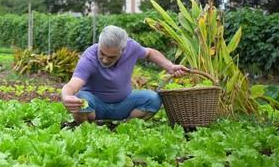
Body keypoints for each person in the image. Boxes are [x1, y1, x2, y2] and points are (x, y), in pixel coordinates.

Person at [61, 25, 189, 124]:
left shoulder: (132, 47)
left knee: (154, 99)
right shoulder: (89, 57)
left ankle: (125, 127)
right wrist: (66, 96)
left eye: (111, 57)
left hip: (123, 105)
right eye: (102, 53)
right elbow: (72, 85)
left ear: (123, 50)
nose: (105, 60)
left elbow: (149, 53)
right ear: (99, 44)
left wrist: (170, 67)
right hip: (95, 108)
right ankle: (89, 129)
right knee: (81, 99)